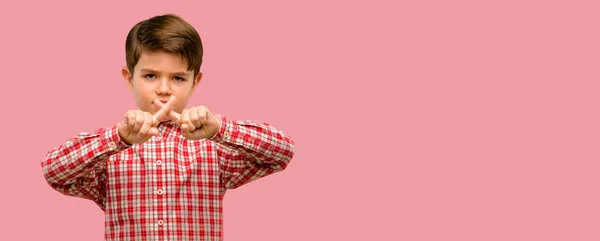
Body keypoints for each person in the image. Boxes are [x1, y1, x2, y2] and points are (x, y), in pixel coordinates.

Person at [40, 13, 295, 240]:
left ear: (195, 82)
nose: (163, 89)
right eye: (150, 76)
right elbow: (55, 173)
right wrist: (117, 138)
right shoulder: (111, 154)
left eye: (178, 78)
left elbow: (281, 152)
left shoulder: (212, 148)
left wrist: (219, 128)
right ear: (130, 78)